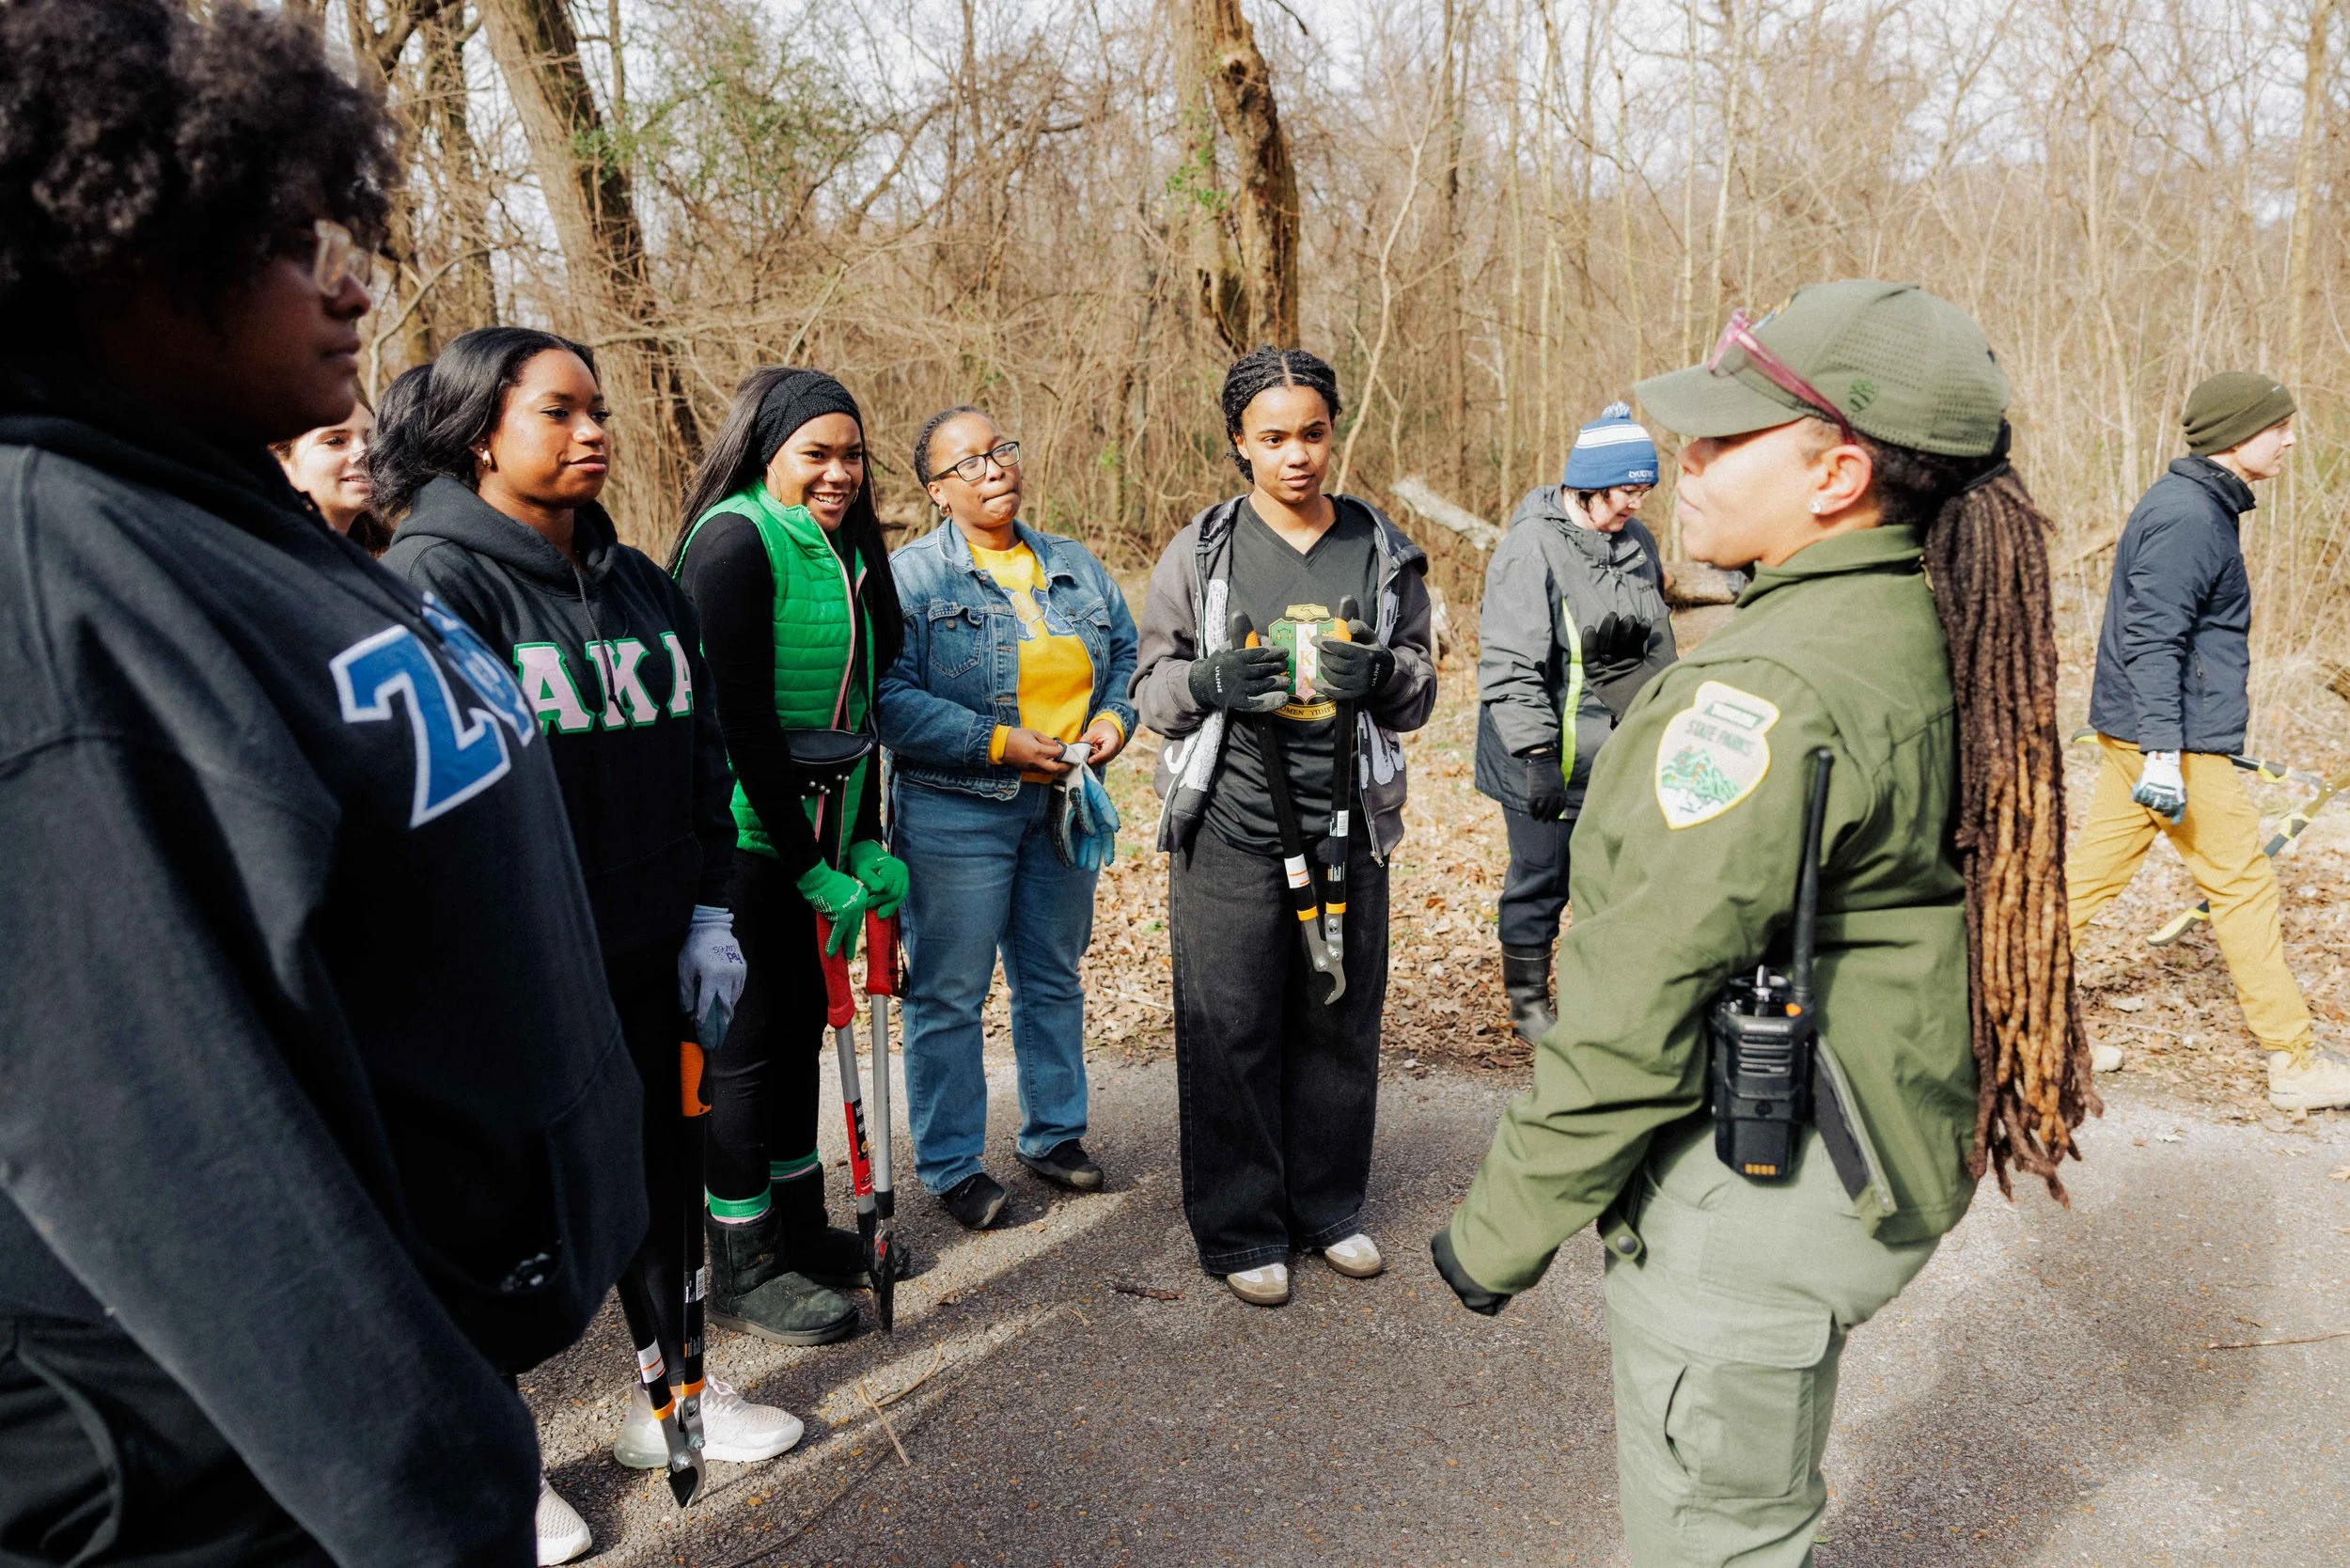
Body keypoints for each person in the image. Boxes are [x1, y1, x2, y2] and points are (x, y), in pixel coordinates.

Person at [0, 4, 646, 1564]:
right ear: (116, 245)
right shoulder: (51, 571)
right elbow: (177, 1143)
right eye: (293, 242)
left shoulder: (225, 507)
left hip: (384, 1389)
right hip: (218, 1475)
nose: (353, 282)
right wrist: (432, 1493)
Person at [1434, 282, 2096, 1565]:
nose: (1686, 462)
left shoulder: (1762, 695)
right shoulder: (1925, 613)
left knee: (1720, 1535)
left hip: (1766, 1200)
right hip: (1876, 1147)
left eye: (1724, 440)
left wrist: (1497, 1231)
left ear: (1840, 472)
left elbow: (1632, 1011)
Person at [372, 328, 807, 1562]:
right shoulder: (430, 590)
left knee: (658, 1188)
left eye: (599, 409)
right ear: (476, 436)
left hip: (655, 960)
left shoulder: (645, 587)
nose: (595, 431)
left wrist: (715, 910)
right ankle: (498, 1463)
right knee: (503, 1220)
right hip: (505, 985)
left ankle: (672, 1395)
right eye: (559, 412)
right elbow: (426, 818)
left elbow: (705, 756)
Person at [1132, 347, 1439, 1308]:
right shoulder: (1204, 549)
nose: (1296, 455)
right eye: (1271, 438)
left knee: (1336, 1019)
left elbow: (1422, 683)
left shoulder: (1381, 547)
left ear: (1330, 433)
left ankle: (1326, 1209)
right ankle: (1239, 1227)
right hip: (1232, 822)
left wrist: (1383, 677)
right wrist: (1206, 683)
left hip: (1347, 821)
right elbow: (1151, 687)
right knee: (1231, 1026)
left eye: (1311, 433)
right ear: (1239, 444)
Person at [671, 368, 911, 1336]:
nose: (839, 472)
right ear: (767, 452)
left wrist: (862, 834)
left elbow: (856, 711)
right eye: (816, 454)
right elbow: (741, 726)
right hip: (740, 839)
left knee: (805, 1024)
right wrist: (810, 862)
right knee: (746, 1048)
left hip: (813, 833)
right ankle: (739, 1258)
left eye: (851, 454)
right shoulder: (734, 544)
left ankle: (800, 1230)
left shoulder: (843, 546)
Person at [876, 406, 1139, 1227]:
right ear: (936, 492)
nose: (994, 469)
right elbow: (885, 697)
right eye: (969, 463)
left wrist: (1111, 724)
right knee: (950, 993)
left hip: (1063, 803)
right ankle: (953, 1165)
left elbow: (1127, 657)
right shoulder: (910, 578)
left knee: (1052, 976)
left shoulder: (1072, 563)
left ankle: (1053, 1136)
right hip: (956, 811)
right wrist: (997, 744)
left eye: (1001, 451)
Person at [2068, 373, 2350, 1110]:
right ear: (2236, 433)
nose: (2291, 439)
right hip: (2174, 737)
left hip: (2150, 728)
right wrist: (2165, 752)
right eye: (2278, 427)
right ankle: (2294, 1063)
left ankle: (2003, 1023)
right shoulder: (2191, 515)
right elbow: (2153, 639)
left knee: (2087, 881)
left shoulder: (2197, 506)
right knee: (2243, 885)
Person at [1476, 400, 1676, 1044]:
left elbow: (1656, 645)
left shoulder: (1637, 544)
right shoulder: (1530, 547)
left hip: (1615, 751)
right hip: (1539, 755)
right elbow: (1510, 660)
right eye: (1626, 491)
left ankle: (1602, 1003)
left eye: (1643, 492)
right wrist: (1535, 754)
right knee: (1541, 880)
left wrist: (1656, 714)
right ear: (1587, 486)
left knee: (1614, 882)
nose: (1635, 505)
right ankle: (1529, 1003)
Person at [273, 399, 393, 552]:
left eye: (371, 439)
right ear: (279, 462)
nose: (364, 452)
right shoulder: (264, 561)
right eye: (335, 441)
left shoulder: (391, 559)